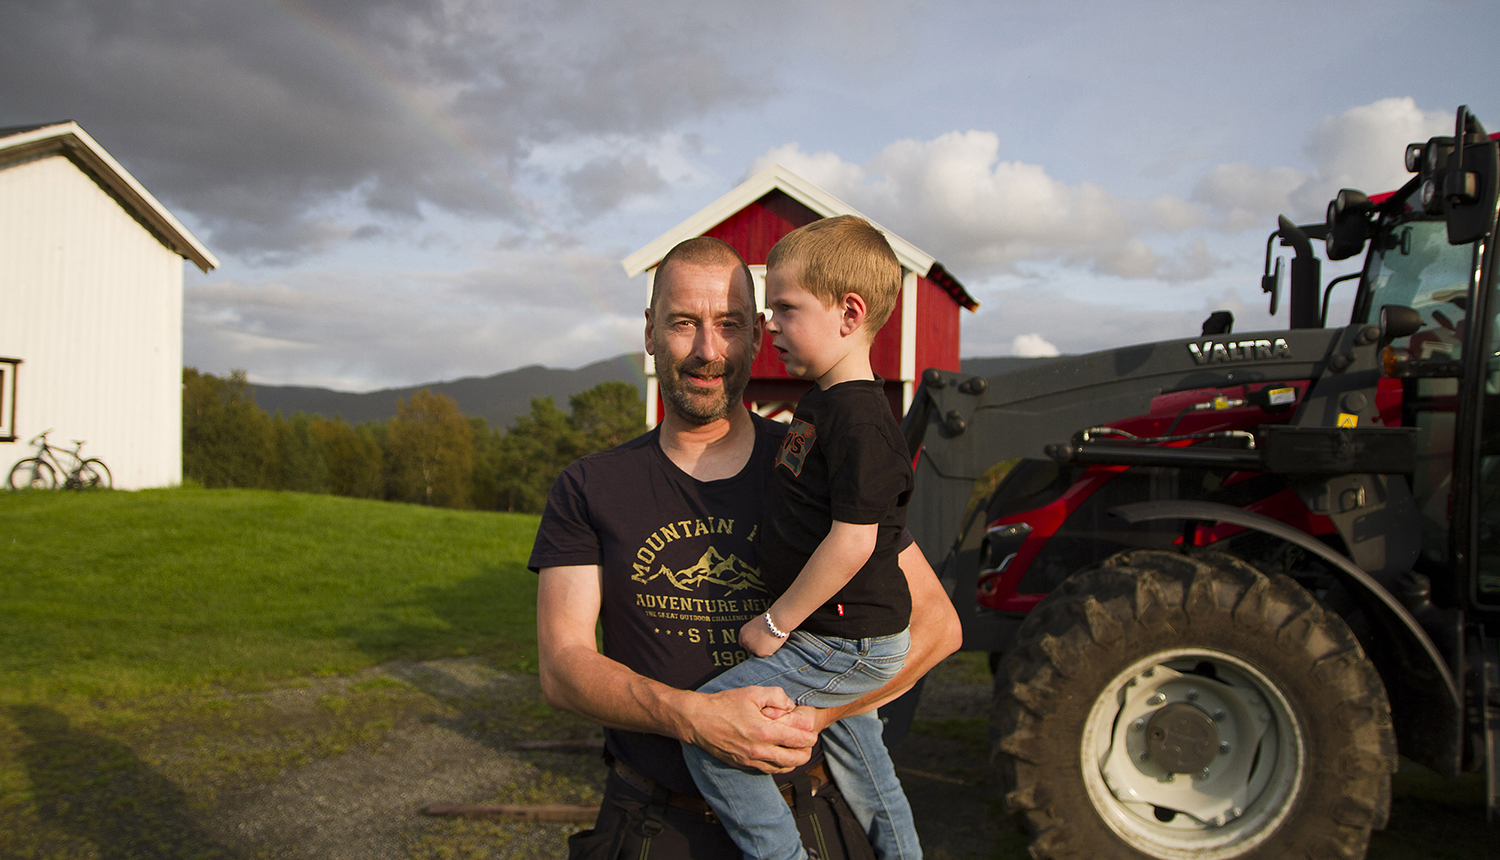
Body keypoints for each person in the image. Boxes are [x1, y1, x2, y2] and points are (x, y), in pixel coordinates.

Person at [531, 235, 962, 859]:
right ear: (649, 333)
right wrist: (694, 718)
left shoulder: (808, 456)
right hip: (653, 827)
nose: (708, 351)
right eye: (683, 323)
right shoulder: (590, 486)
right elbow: (563, 670)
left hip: (811, 817)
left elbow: (936, 628)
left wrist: (815, 718)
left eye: (729, 325)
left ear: (758, 337)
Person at [681, 216, 920, 860]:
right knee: (864, 764)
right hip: (837, 633)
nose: (770, 326)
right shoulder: (826, 402)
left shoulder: (863, 422)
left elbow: (853, 543)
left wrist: (774, 624)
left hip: (845, 639)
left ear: (849, 313)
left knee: (715, 727)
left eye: (785, 308)